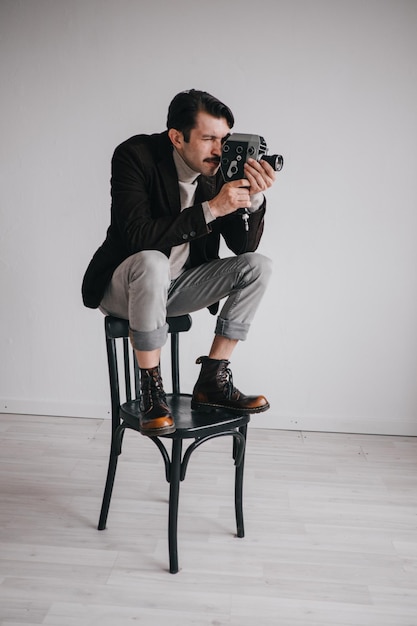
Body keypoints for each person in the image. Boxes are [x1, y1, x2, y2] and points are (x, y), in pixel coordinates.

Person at [82, 89, 276, 437]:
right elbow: (136, 235)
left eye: (225, 139)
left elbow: (242, 246)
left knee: (258, 266)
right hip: (124, 285)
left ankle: (213, 378)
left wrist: (254, 199)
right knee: (152, 262)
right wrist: (213, 207)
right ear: (177, 137)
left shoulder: (219, 170)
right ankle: (151, 391)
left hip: (179, 287)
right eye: (209, 139)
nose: (220, 149)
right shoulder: (135, 156)